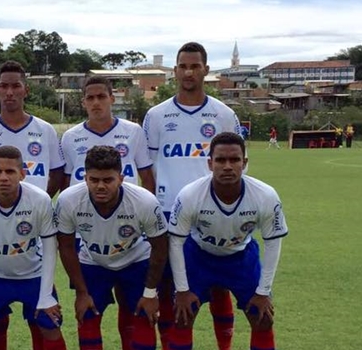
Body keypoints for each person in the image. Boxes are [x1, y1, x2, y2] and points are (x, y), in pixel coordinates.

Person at [142, 41, 242, 350]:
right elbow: (148, 168)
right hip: (169, 211)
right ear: (174, 71)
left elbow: (237, 164)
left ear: (206, 70)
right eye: (183, 66)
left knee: (219, 285)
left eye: (195, 66)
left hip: (212, 211)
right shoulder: (156, 116)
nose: (189, 72)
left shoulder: (224, 114)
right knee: (169, 285)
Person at [168, 132, 288, 350]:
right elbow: (175, 243)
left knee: (263, 317)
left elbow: (273, 243)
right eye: (220, 160)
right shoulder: (190, 195)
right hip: (198, 256)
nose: (227, 166)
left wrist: (263, 292)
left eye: (234, 160)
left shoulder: (265, 196)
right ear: (209, 163)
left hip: (241, 258)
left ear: (245, 163)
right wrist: (182, 290)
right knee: (182, 316)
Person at [59, 76, 155, 349]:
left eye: (102, 96)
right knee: (89, 308)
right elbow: (68, 183)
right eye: (90, 98)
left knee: (132, 305)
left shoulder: (133, 131)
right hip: (90, 233)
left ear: (113, 99)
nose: (96, 102)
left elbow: (146, 176)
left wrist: (144, 219)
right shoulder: (71, 137)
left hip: (129, 230)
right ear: (83, 102)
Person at [55, 145, 168, 350]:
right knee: (87, 316)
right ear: (85, 178)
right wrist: (81, 292)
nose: (100, 186)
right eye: (94, 180)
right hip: (94, 262)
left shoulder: (144, 201)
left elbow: (160, 248)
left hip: (135, 261)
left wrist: (150, 293)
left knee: (143, 317)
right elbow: (66, 246)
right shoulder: (68, 200)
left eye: (108, 180)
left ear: (121, 178)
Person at [0, 145, 67, 350]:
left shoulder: (39, 199)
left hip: (32, 275)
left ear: (22, 174)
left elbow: (51, 248)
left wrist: (46, 295)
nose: (3, 177)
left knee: (50, 326)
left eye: (10, 171)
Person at [0, 60, 66, 198]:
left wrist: (40, 202)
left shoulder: (46, 130)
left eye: (15, 86)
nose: (9, 92)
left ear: (26, 91)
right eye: (4, 86)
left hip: (34, 214)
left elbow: (57, 173)